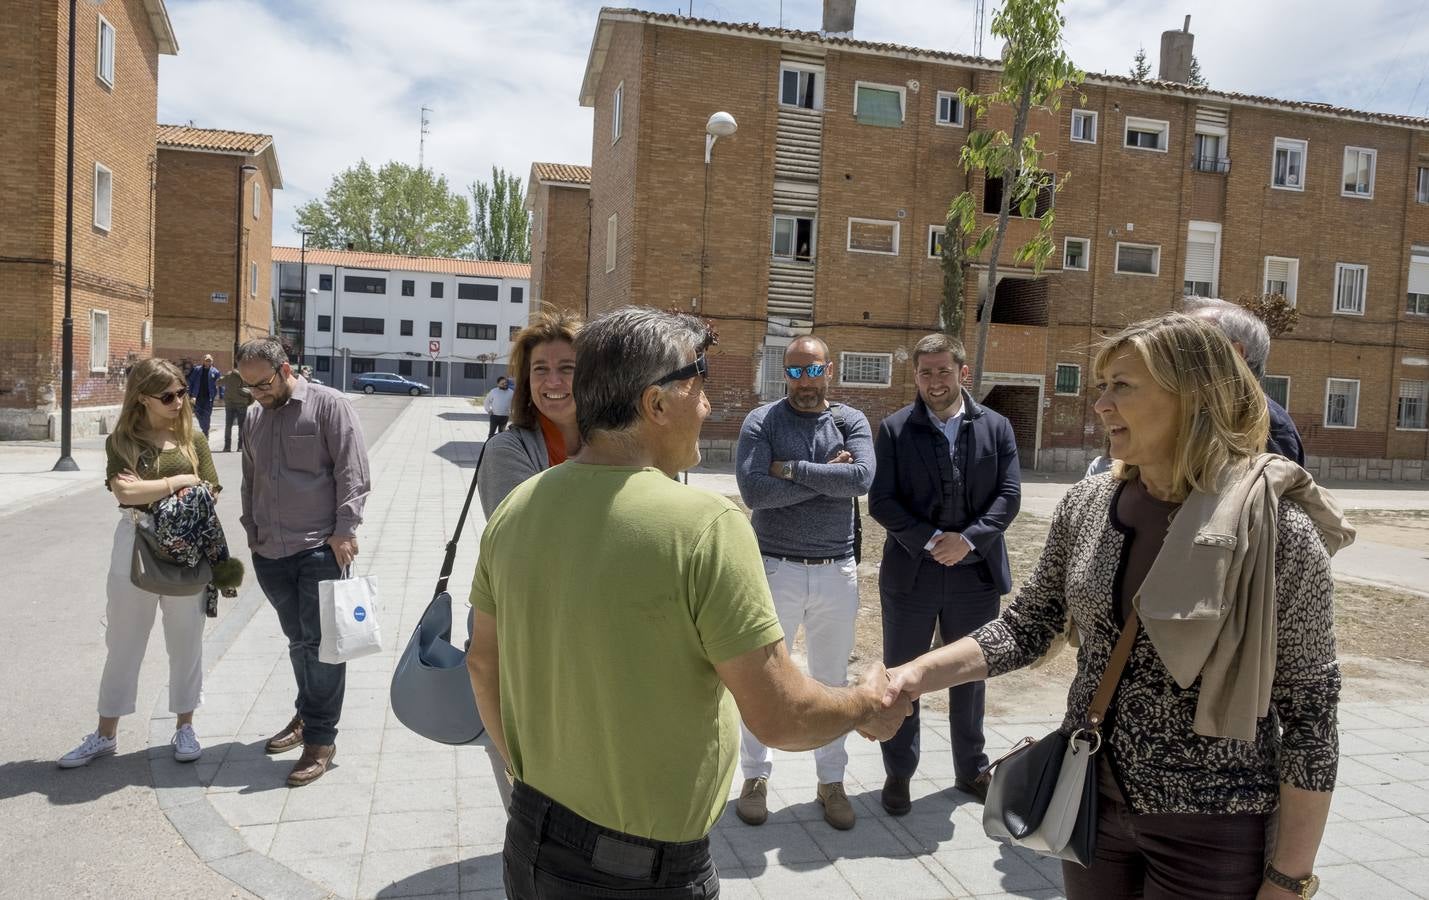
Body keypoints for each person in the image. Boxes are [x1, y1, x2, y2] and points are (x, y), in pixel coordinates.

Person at [883, 313, 1351, 900]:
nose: (1100, 404)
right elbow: (1027, 626)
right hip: (1089, 803)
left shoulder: (1278, 531)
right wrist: (913, 675)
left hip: (1214, 826)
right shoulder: (1088, 504)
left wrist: (1288, 878)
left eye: (1122, 386)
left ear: (1196, 395)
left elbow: (1312, 718)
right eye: (1101, 386)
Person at [466, 307, 911, 899]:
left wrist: (524, 771)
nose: (706, 407)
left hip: (529, 839)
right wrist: (862, 704)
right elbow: (779, 715)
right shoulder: (706, 525)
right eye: (698, 386)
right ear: (655, 404)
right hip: (639, 870)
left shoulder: (517, 509)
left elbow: (482, 662)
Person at [868, 333, 1021, 814]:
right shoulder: (894, 429)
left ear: (963, 373)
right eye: (926, 372)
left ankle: (971, 767)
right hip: (912, 573)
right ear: (915, 376)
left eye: (943, 370)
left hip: (974, 577)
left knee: (969, 675)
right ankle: (898, 773)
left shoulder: (997, 427)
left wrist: (969, 539)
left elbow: (1009, 495)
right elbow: (882, 501)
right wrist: (933, 539)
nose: (935, 380)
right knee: (903, 678)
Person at [731, 336, 874, 831]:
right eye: (794, 373)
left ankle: (830, 781)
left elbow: (860, 480)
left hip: (837, 569)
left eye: (813, 372)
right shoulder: (762, 421)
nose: (805, 383)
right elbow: (755, 492)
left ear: (828, 370)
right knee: (763, 677)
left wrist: (790, 470)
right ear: (782, 373)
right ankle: (754, 777)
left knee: (833, 681)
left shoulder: (850, 421)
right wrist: (823, 478)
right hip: (774, 567)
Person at [60, 359, 226, 768]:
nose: (178, 401)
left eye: (182, 392)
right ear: (142, 397)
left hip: (186, 552)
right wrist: (180, 482)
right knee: (123, 643)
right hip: (134, 543)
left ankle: (185, 726)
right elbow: (124, 493)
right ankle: (105, 734)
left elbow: (213, 489)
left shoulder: (193, 438)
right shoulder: (123, 440)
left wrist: (157, 487)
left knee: (186, 642)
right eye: (167, 396)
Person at [238, 338, 371, 787]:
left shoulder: (329, 406)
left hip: (318, 549)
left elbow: (352, 472)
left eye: (263, 384)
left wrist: (345, 530)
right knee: (299, 643)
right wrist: (251, 531)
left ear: (286, 368)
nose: (257, 394)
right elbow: (250, 478)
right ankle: (304, 714)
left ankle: (320, 739)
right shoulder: (255, 416)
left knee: (324, 648)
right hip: (270, 553)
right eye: (248, 387)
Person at [476, 310, 582, 516]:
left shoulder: (621, 443)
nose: (552, 381)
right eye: (540, 369)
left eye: (567, 368)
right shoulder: (505, 450)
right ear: (527, 380)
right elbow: (520, 539)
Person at [1183, 296, 1305, 464]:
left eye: (1191, 343)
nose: (1176, 354)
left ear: (1235, 355)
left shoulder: (1268, 427)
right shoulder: (1202, 409)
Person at [186, 354, 221, 438]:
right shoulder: (197, 370)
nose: (208, 362)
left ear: (212, 361)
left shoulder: (215, 372)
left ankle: (205, 431)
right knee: (198, 413)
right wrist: (190, 394)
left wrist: (221, 396)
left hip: (209, 397)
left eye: (209, 360)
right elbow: (190, 381)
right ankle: (205, 428)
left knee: (207, 415)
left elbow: (220, 384)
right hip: (197, 396)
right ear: (203, 361)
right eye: (206, 360)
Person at [220, 366, 253, 453]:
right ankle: (240, 446)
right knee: (242, 426)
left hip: (229, 404)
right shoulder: (245, 375)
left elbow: (218, 382)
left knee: (228, 425)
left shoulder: (229, 375)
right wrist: (248, 402)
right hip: (242, 404)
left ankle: (227, 447)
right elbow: (252, 391)